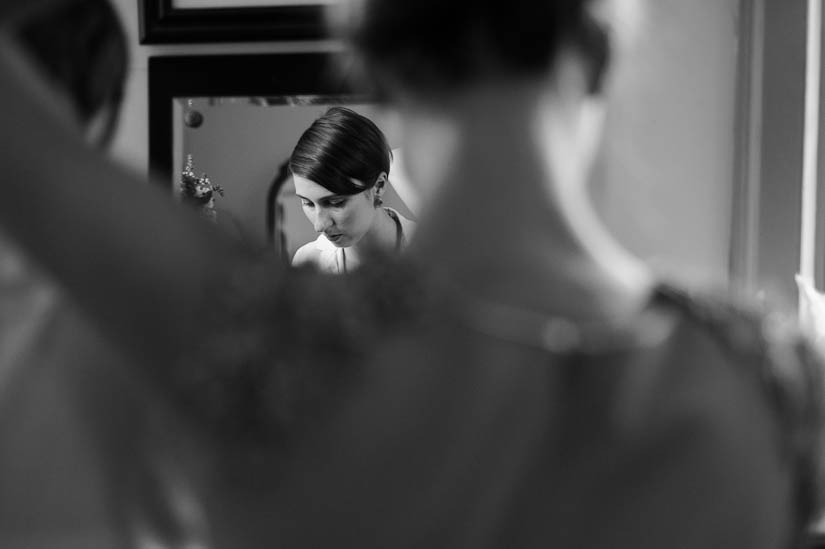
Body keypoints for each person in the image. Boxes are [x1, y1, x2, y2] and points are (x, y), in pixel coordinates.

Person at [0, 1, 822, 548]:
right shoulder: (777, 384)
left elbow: (28, 153)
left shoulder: (271, 350)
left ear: (378, 71)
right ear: (600, 55)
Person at [290, 106, 416, 273]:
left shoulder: (437, 251)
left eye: (335, 202)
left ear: (378, 186)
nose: (319, 225)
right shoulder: (308, 261)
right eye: (307, 203)